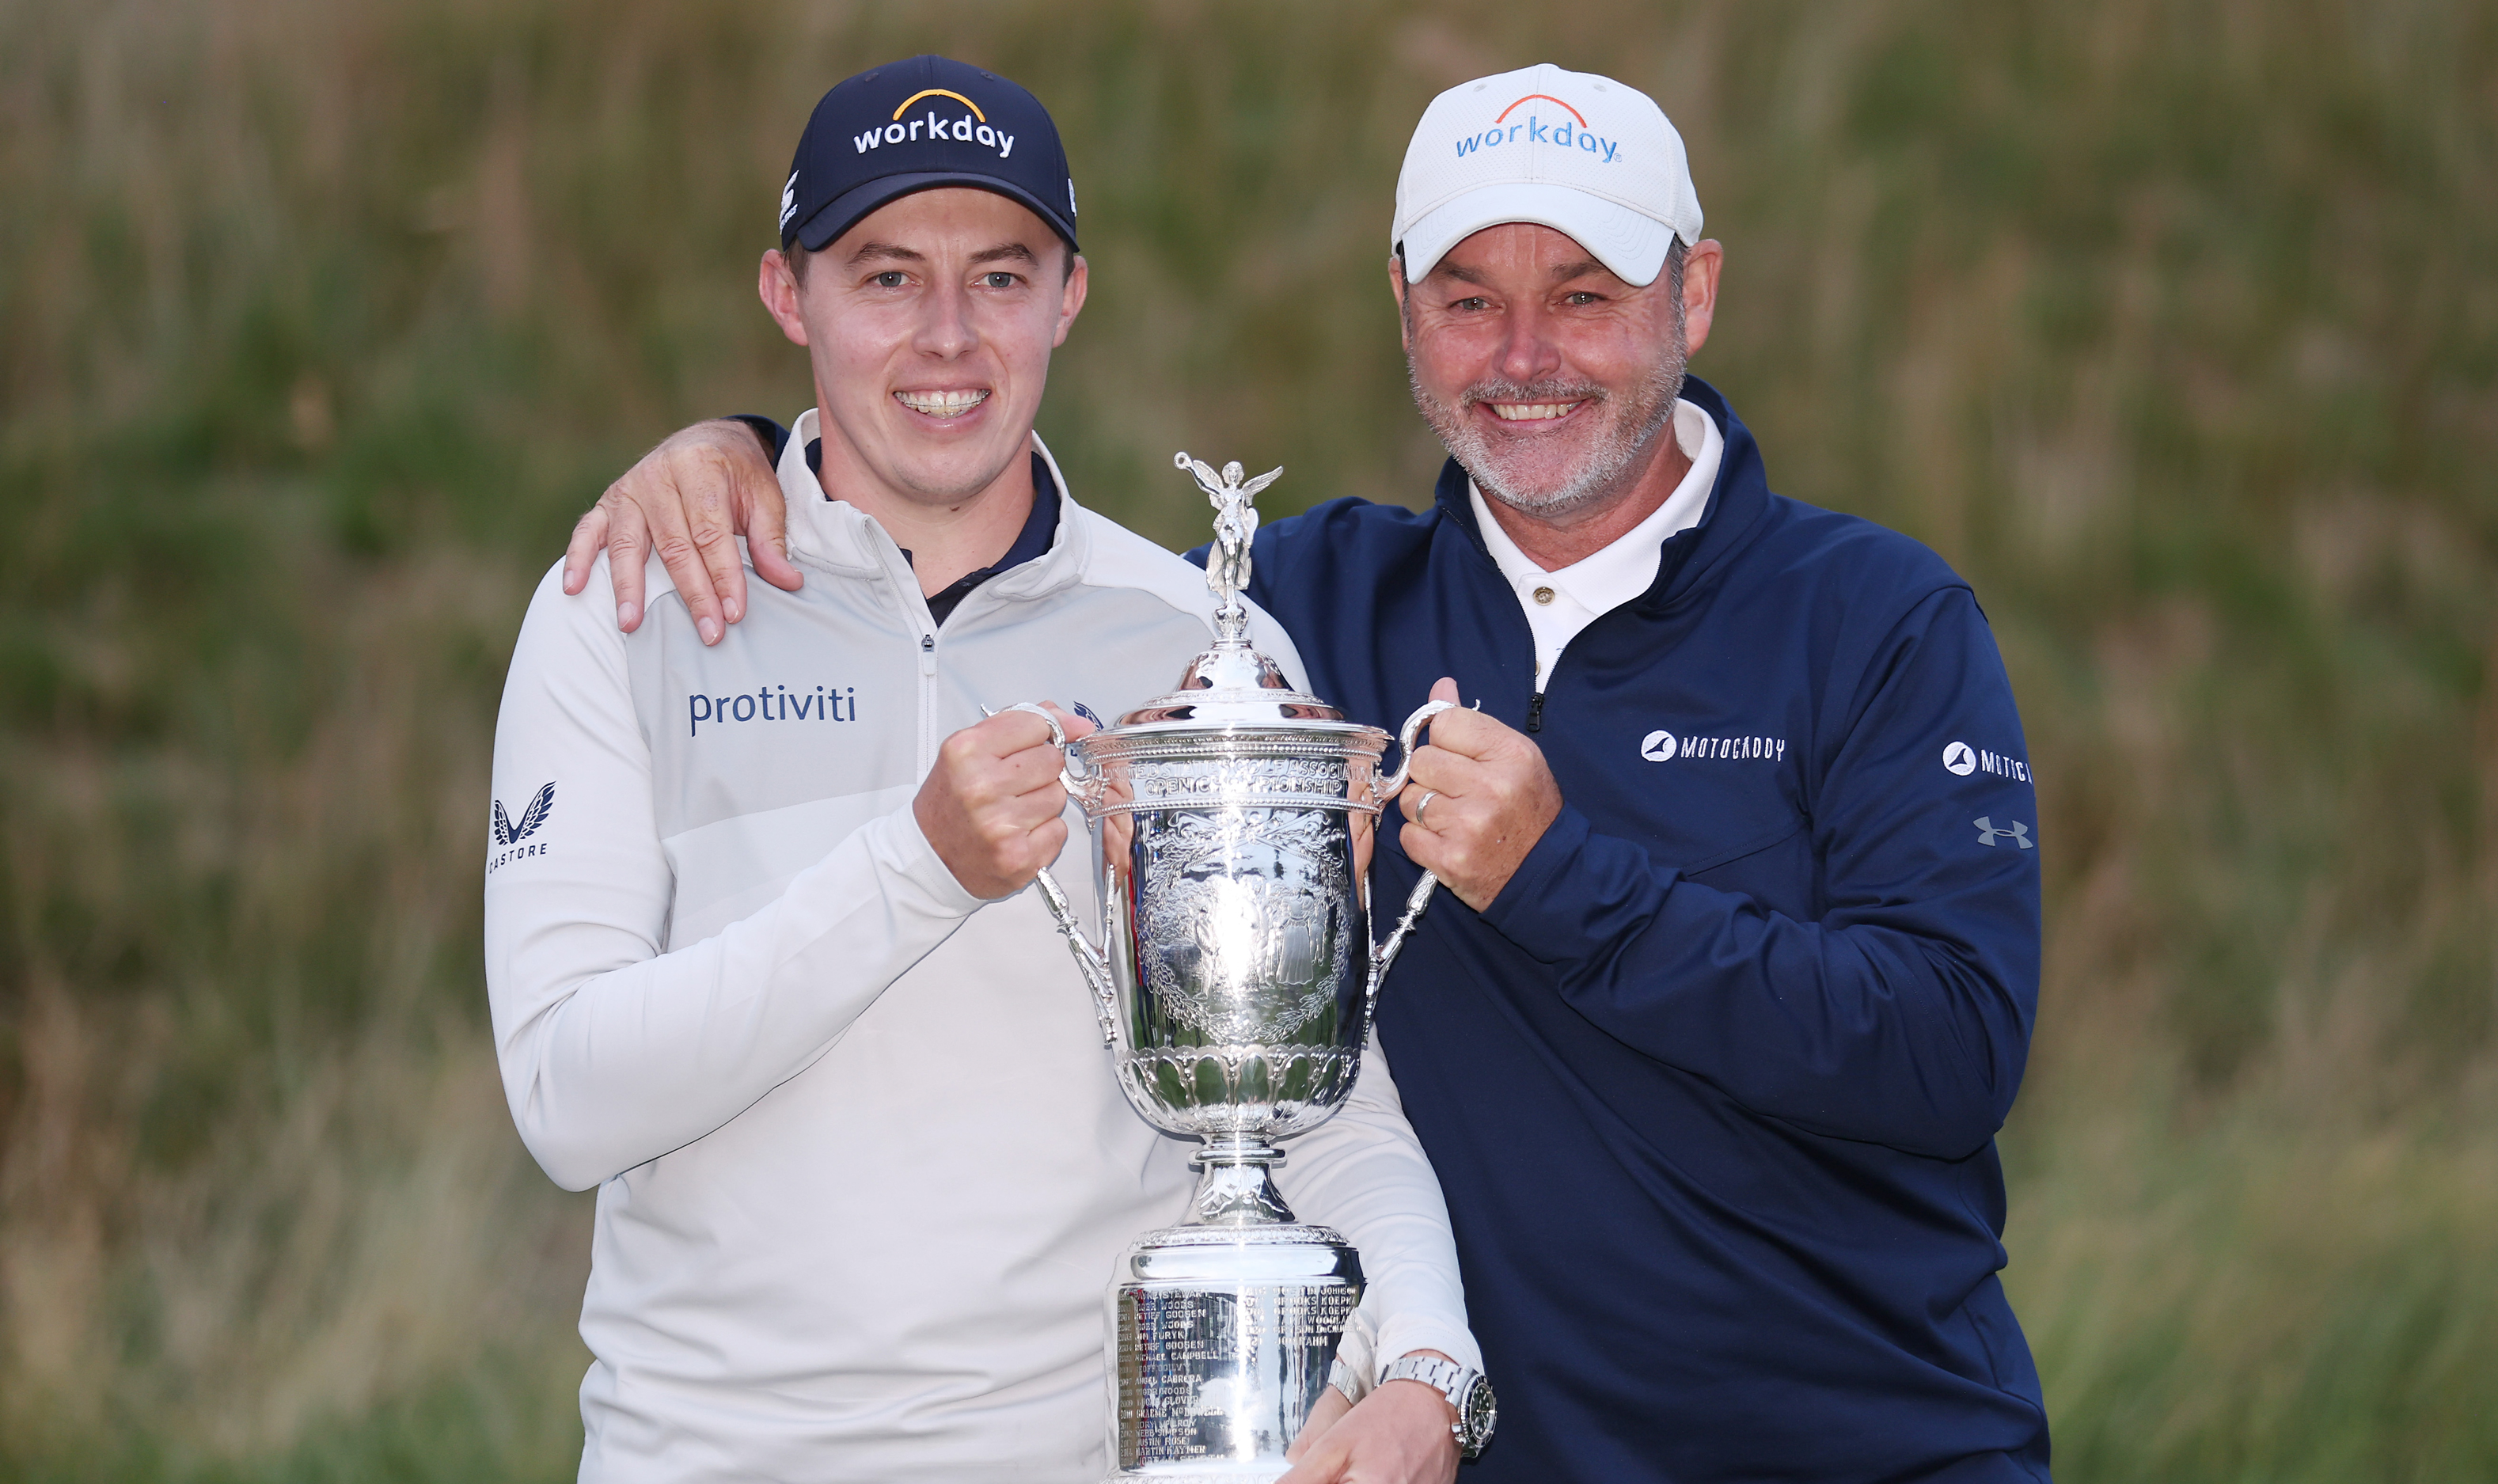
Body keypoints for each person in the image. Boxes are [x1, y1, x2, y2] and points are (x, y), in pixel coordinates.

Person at [575, 61, 2052, 1484]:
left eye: (1583, 298)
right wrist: (743, 452)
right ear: (1404, 314)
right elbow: (972, 475)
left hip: (1864, 1445)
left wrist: (1566, 883)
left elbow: (1951, 1056)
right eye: (1469, 302)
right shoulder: (1304, 609)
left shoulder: (1874, 620)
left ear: (1696, 293)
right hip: (1443, 1458)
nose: (1524, 357)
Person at [487, 55, 1482, 1483]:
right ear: (789, 296)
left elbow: (1313, 1110)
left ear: (1069, 295)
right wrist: (917, 869)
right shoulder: (623, 608)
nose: (947, 337)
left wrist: (1435, 1362)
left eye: (1000, 277)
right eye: (885, 277)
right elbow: (568, 1103)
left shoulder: (1199, 647)